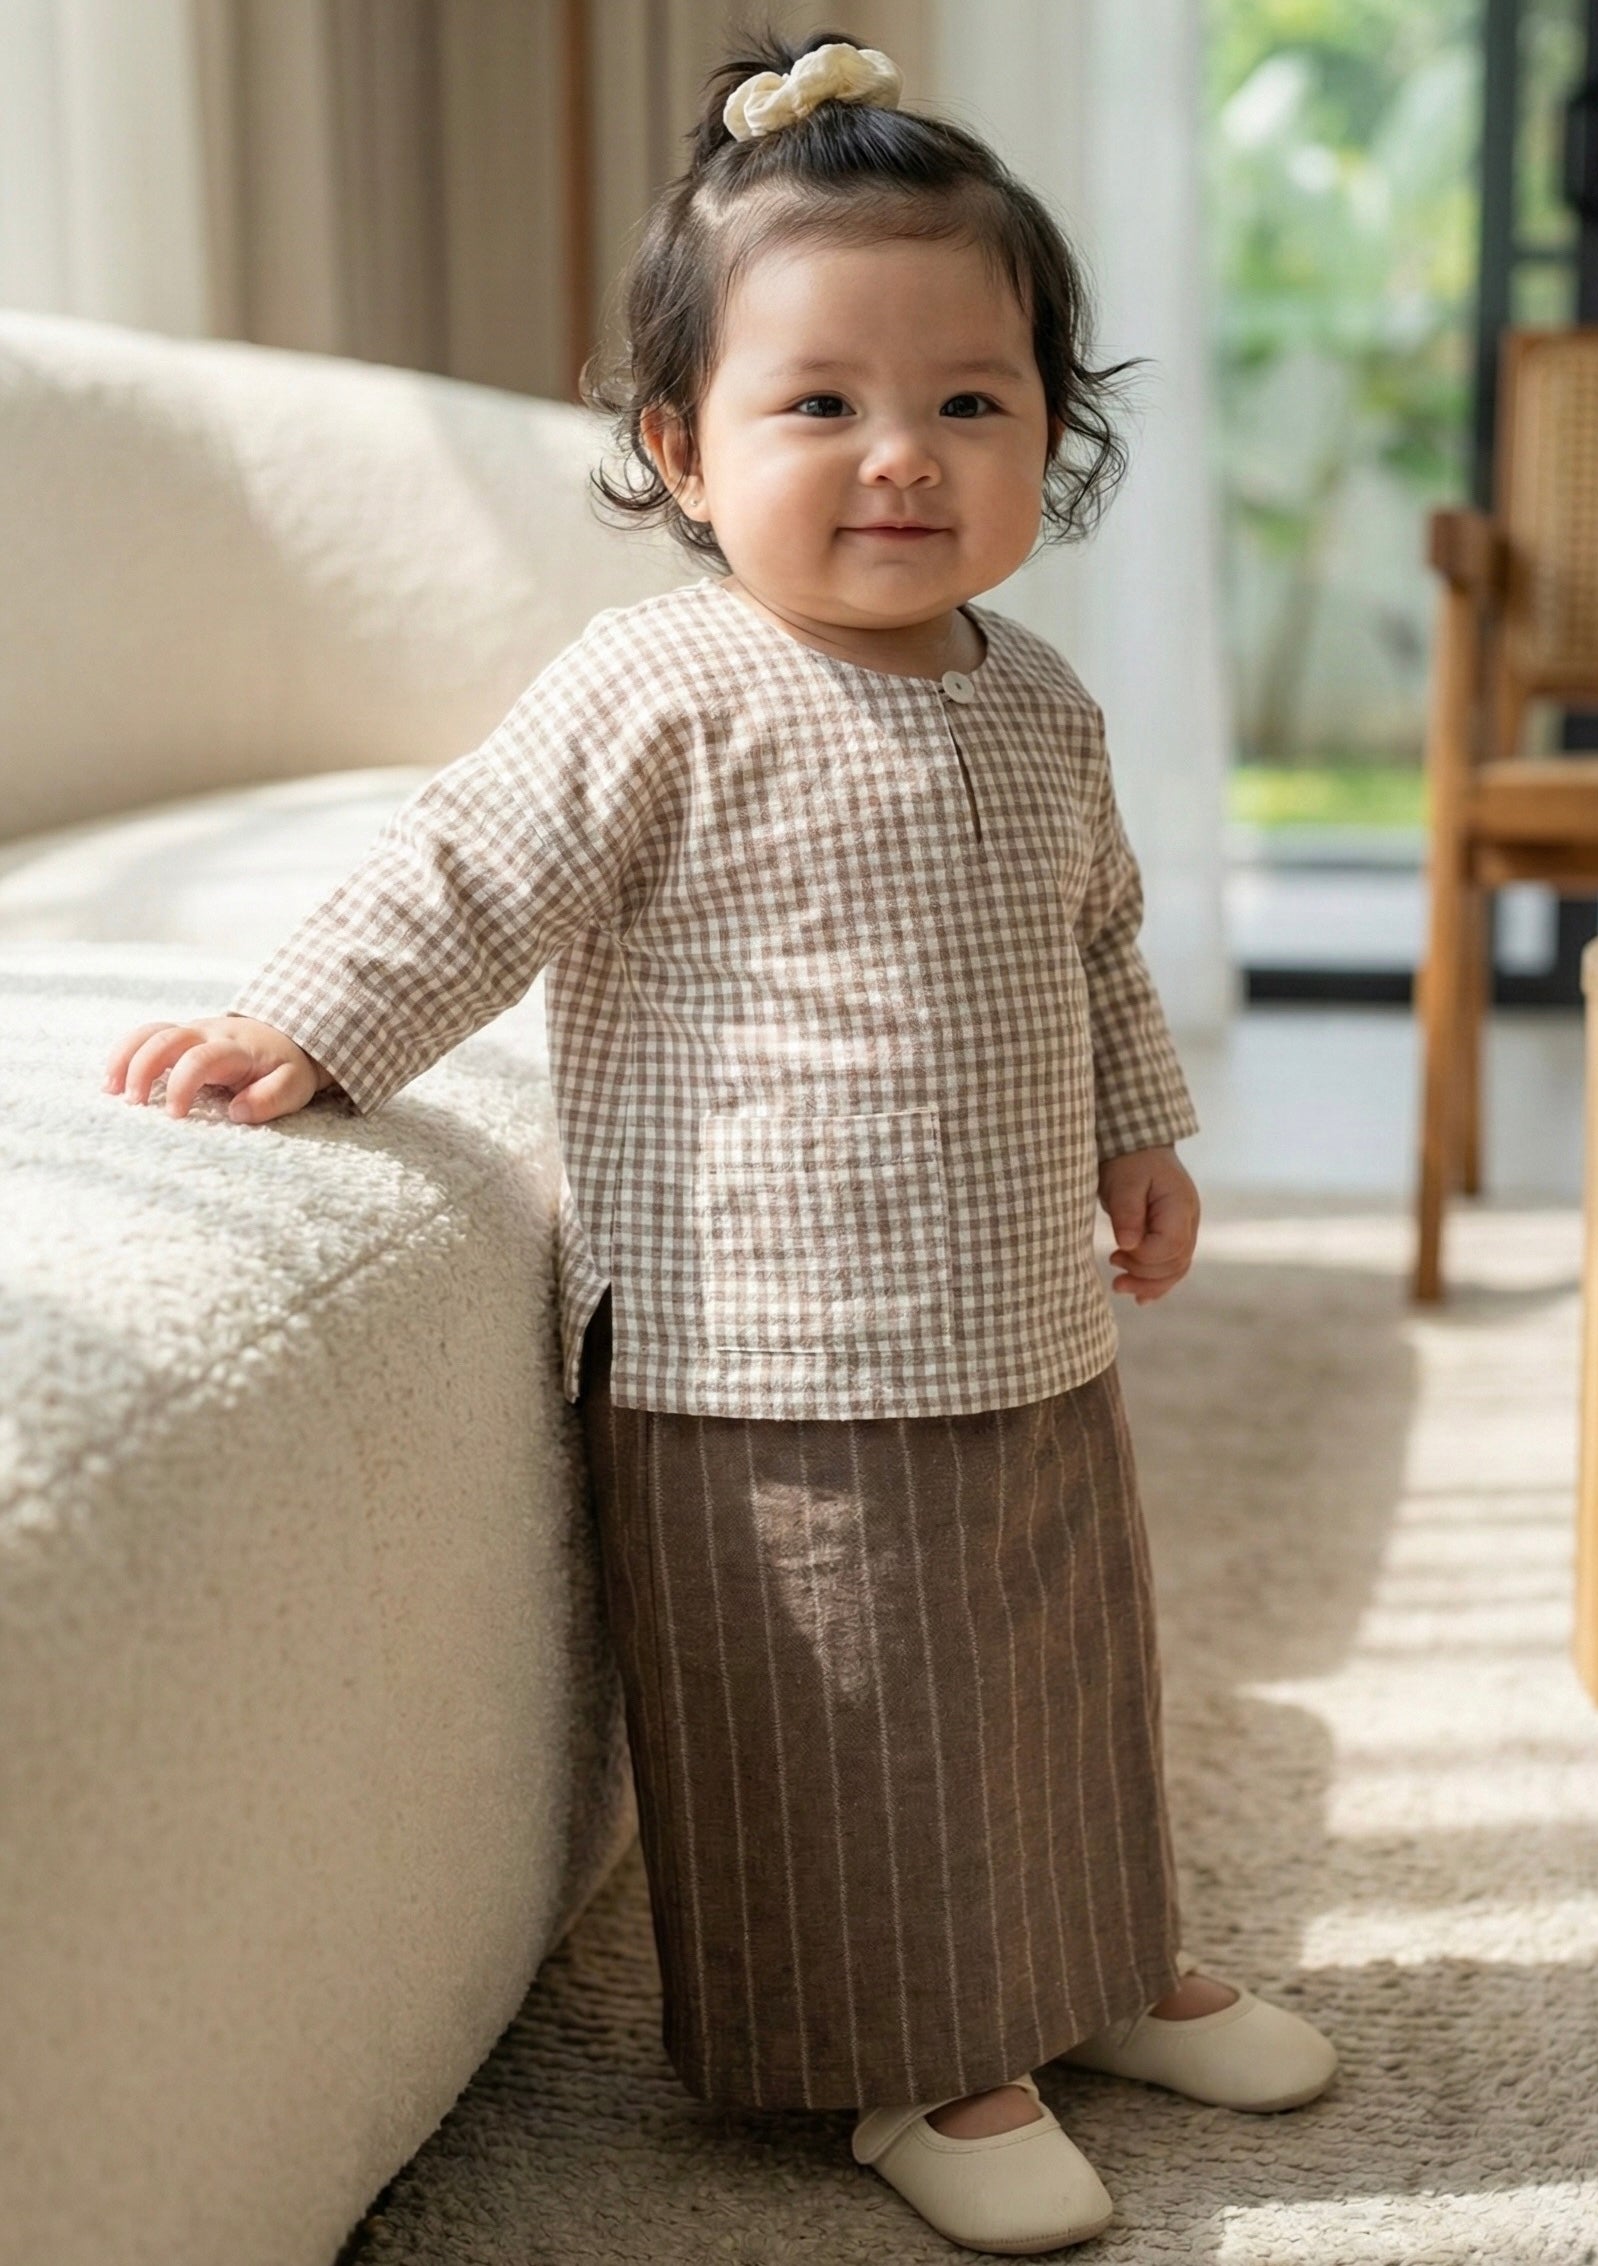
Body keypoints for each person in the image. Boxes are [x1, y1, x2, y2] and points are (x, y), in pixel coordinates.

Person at [102, 28, 1337, 2254]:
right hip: (768, 1345)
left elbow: (1095, 945)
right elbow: (467, 864)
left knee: (1062, 1651)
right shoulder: (659, 688)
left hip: (1023, 1318)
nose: (901, 457)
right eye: (819, 404)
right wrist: (313, 1016)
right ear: (679, 446)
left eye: (969, 399)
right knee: (852, 1693)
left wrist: (1140, 1131)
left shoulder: (1034, 699)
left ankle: (1089, 1964)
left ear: (1050, 430)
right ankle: (913, 2052)